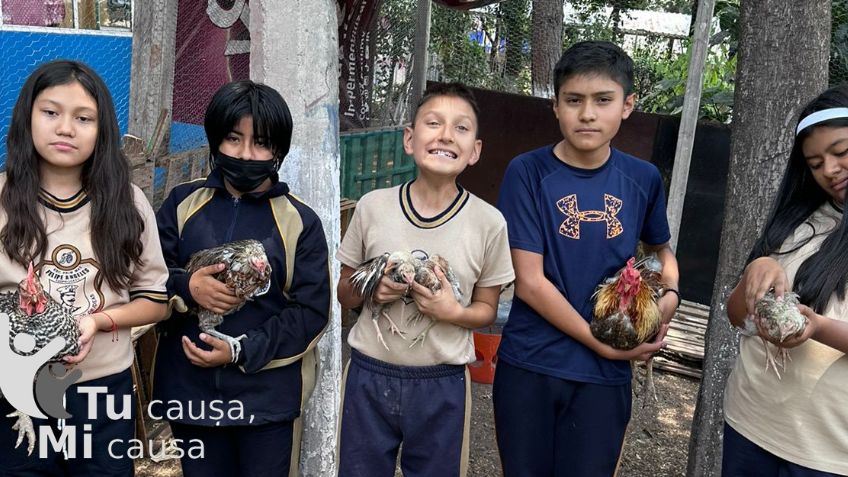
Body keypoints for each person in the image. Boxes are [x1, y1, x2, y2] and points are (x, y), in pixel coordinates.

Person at [494, 40, 680, 476]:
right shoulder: (528, 172)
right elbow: (530, 282)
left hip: (604, 374)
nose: (588, 113)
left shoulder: (643, 178)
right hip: (532, 361)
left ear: (628, 105)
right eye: (574, 100)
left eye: (603, 100)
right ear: (556, 106)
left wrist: (663, 303)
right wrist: (602, 344)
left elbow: (661, 255)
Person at [336, 82, 514, 477]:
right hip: (369, 373)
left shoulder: (489, 223)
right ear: (410, 140)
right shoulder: (372, 207)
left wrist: (451, 311)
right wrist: (372, 289)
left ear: (475, 151)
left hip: (442, 381)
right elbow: (344, 291)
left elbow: (487, 311)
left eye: (461, 128)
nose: (446, 135)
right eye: (433, 123)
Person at [0, 59, 169, 475]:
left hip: (102, 390)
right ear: (27, 117)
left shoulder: (127, 203)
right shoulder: (1, 196)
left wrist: (100, 321)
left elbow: (155, 300)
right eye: (51, 112)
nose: (65, 128)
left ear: (102, 129)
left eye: (83, 118)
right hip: (17, 390)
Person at [154, 80, 330, 477]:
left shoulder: (300, 222)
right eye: (234, 138)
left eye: (261, 143)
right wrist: (188, 288)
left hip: (266, 400)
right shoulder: (182, 204)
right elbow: (148, 276)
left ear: (278, 151)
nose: (246, 154)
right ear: (216, 140)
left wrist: (240, 350)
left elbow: (310, 312)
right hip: (191, 393)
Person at [723, 85, 848, 477]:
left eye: (841, 152)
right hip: (750, 421)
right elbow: (736, 315)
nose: (829, 169)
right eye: (814, 163)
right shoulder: (798, 222)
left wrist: (818, 327)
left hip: (826, 450)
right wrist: (754, 274)